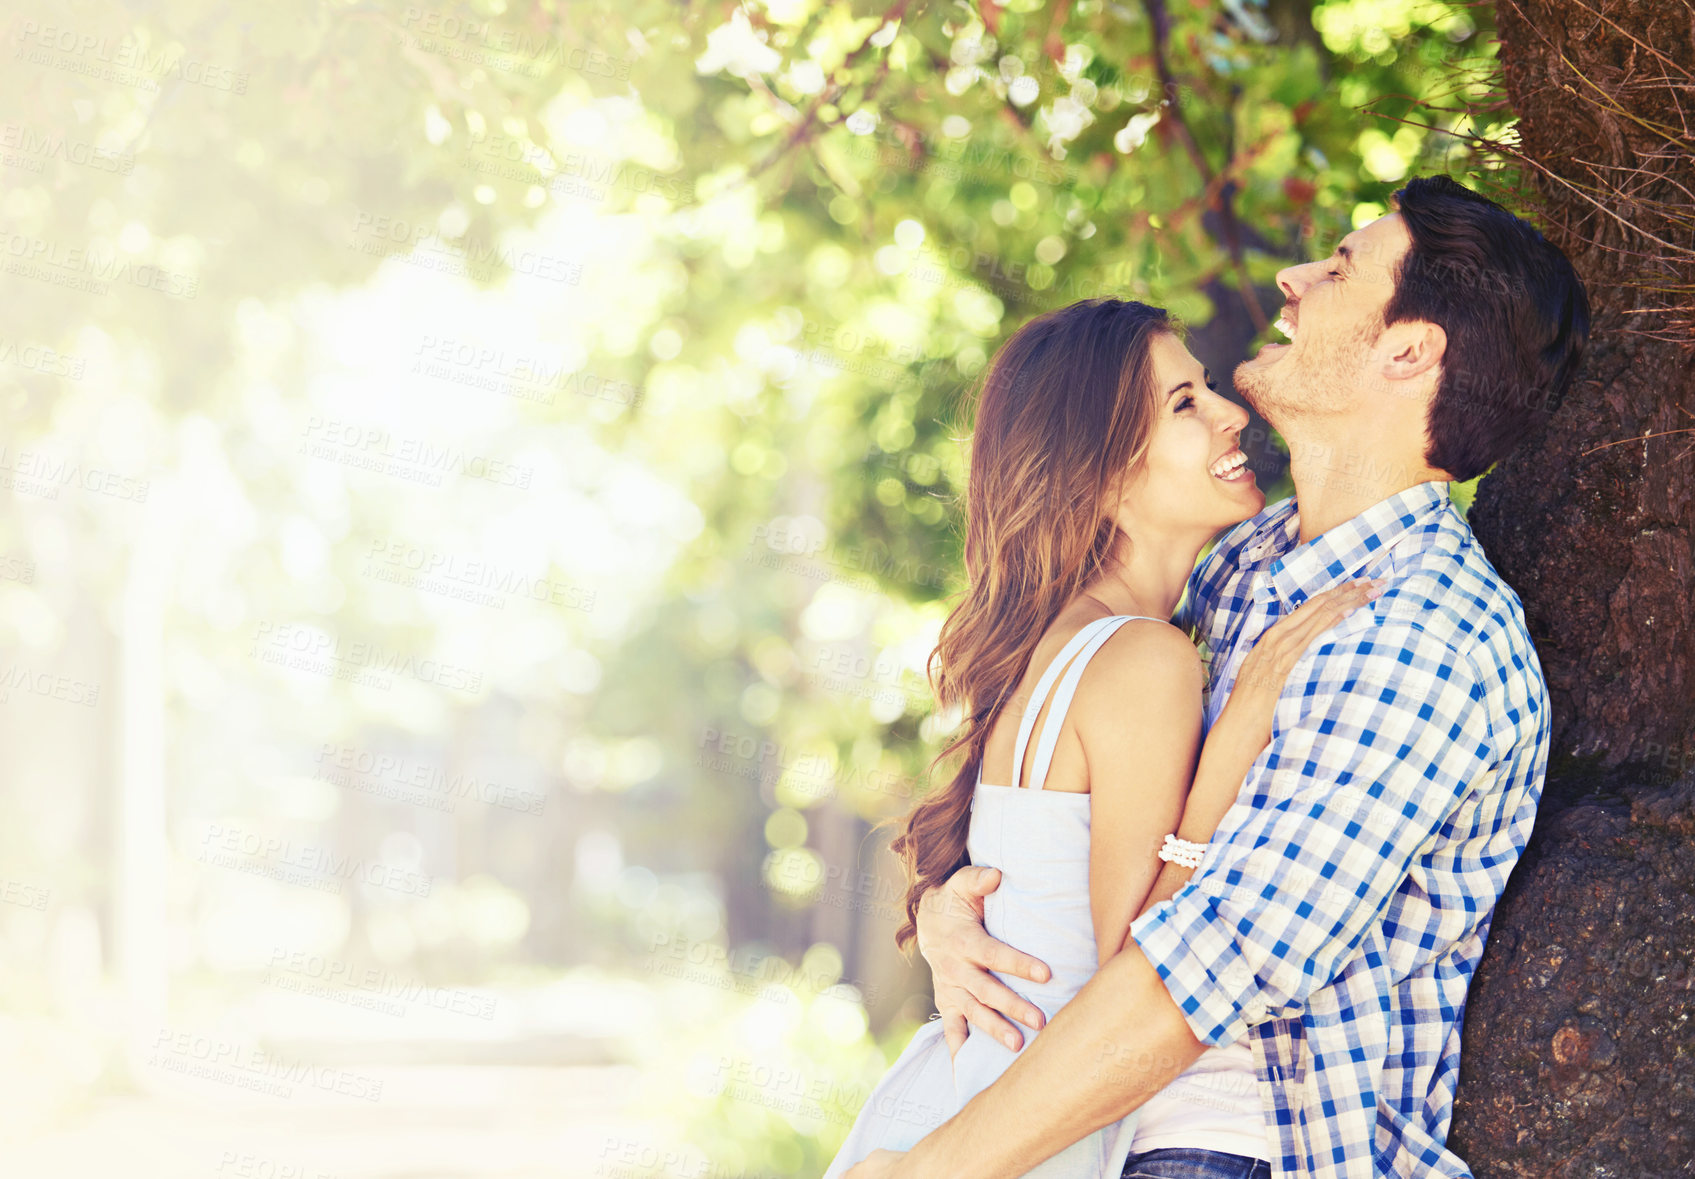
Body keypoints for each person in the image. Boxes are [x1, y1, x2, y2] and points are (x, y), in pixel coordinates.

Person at [842, 175, 1590, 1179]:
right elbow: (1079, 785)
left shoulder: (1429, 636)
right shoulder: (1244, 565)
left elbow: (1203, 971)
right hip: (1098, 1126)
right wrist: (953, 911)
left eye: (1339, 268)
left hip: (1238, 1147)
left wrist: (930, 1170)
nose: (1292, 277)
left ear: (1409, 350)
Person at [821, 294, 1382, 1179]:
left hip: (985, 1098)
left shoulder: (1079, 643)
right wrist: (1237, 736)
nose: (1231, 410)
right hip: (1048, 1135)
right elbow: (1142, 958)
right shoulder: (1143, 660)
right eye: (1185, 405)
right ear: (1104, 474)